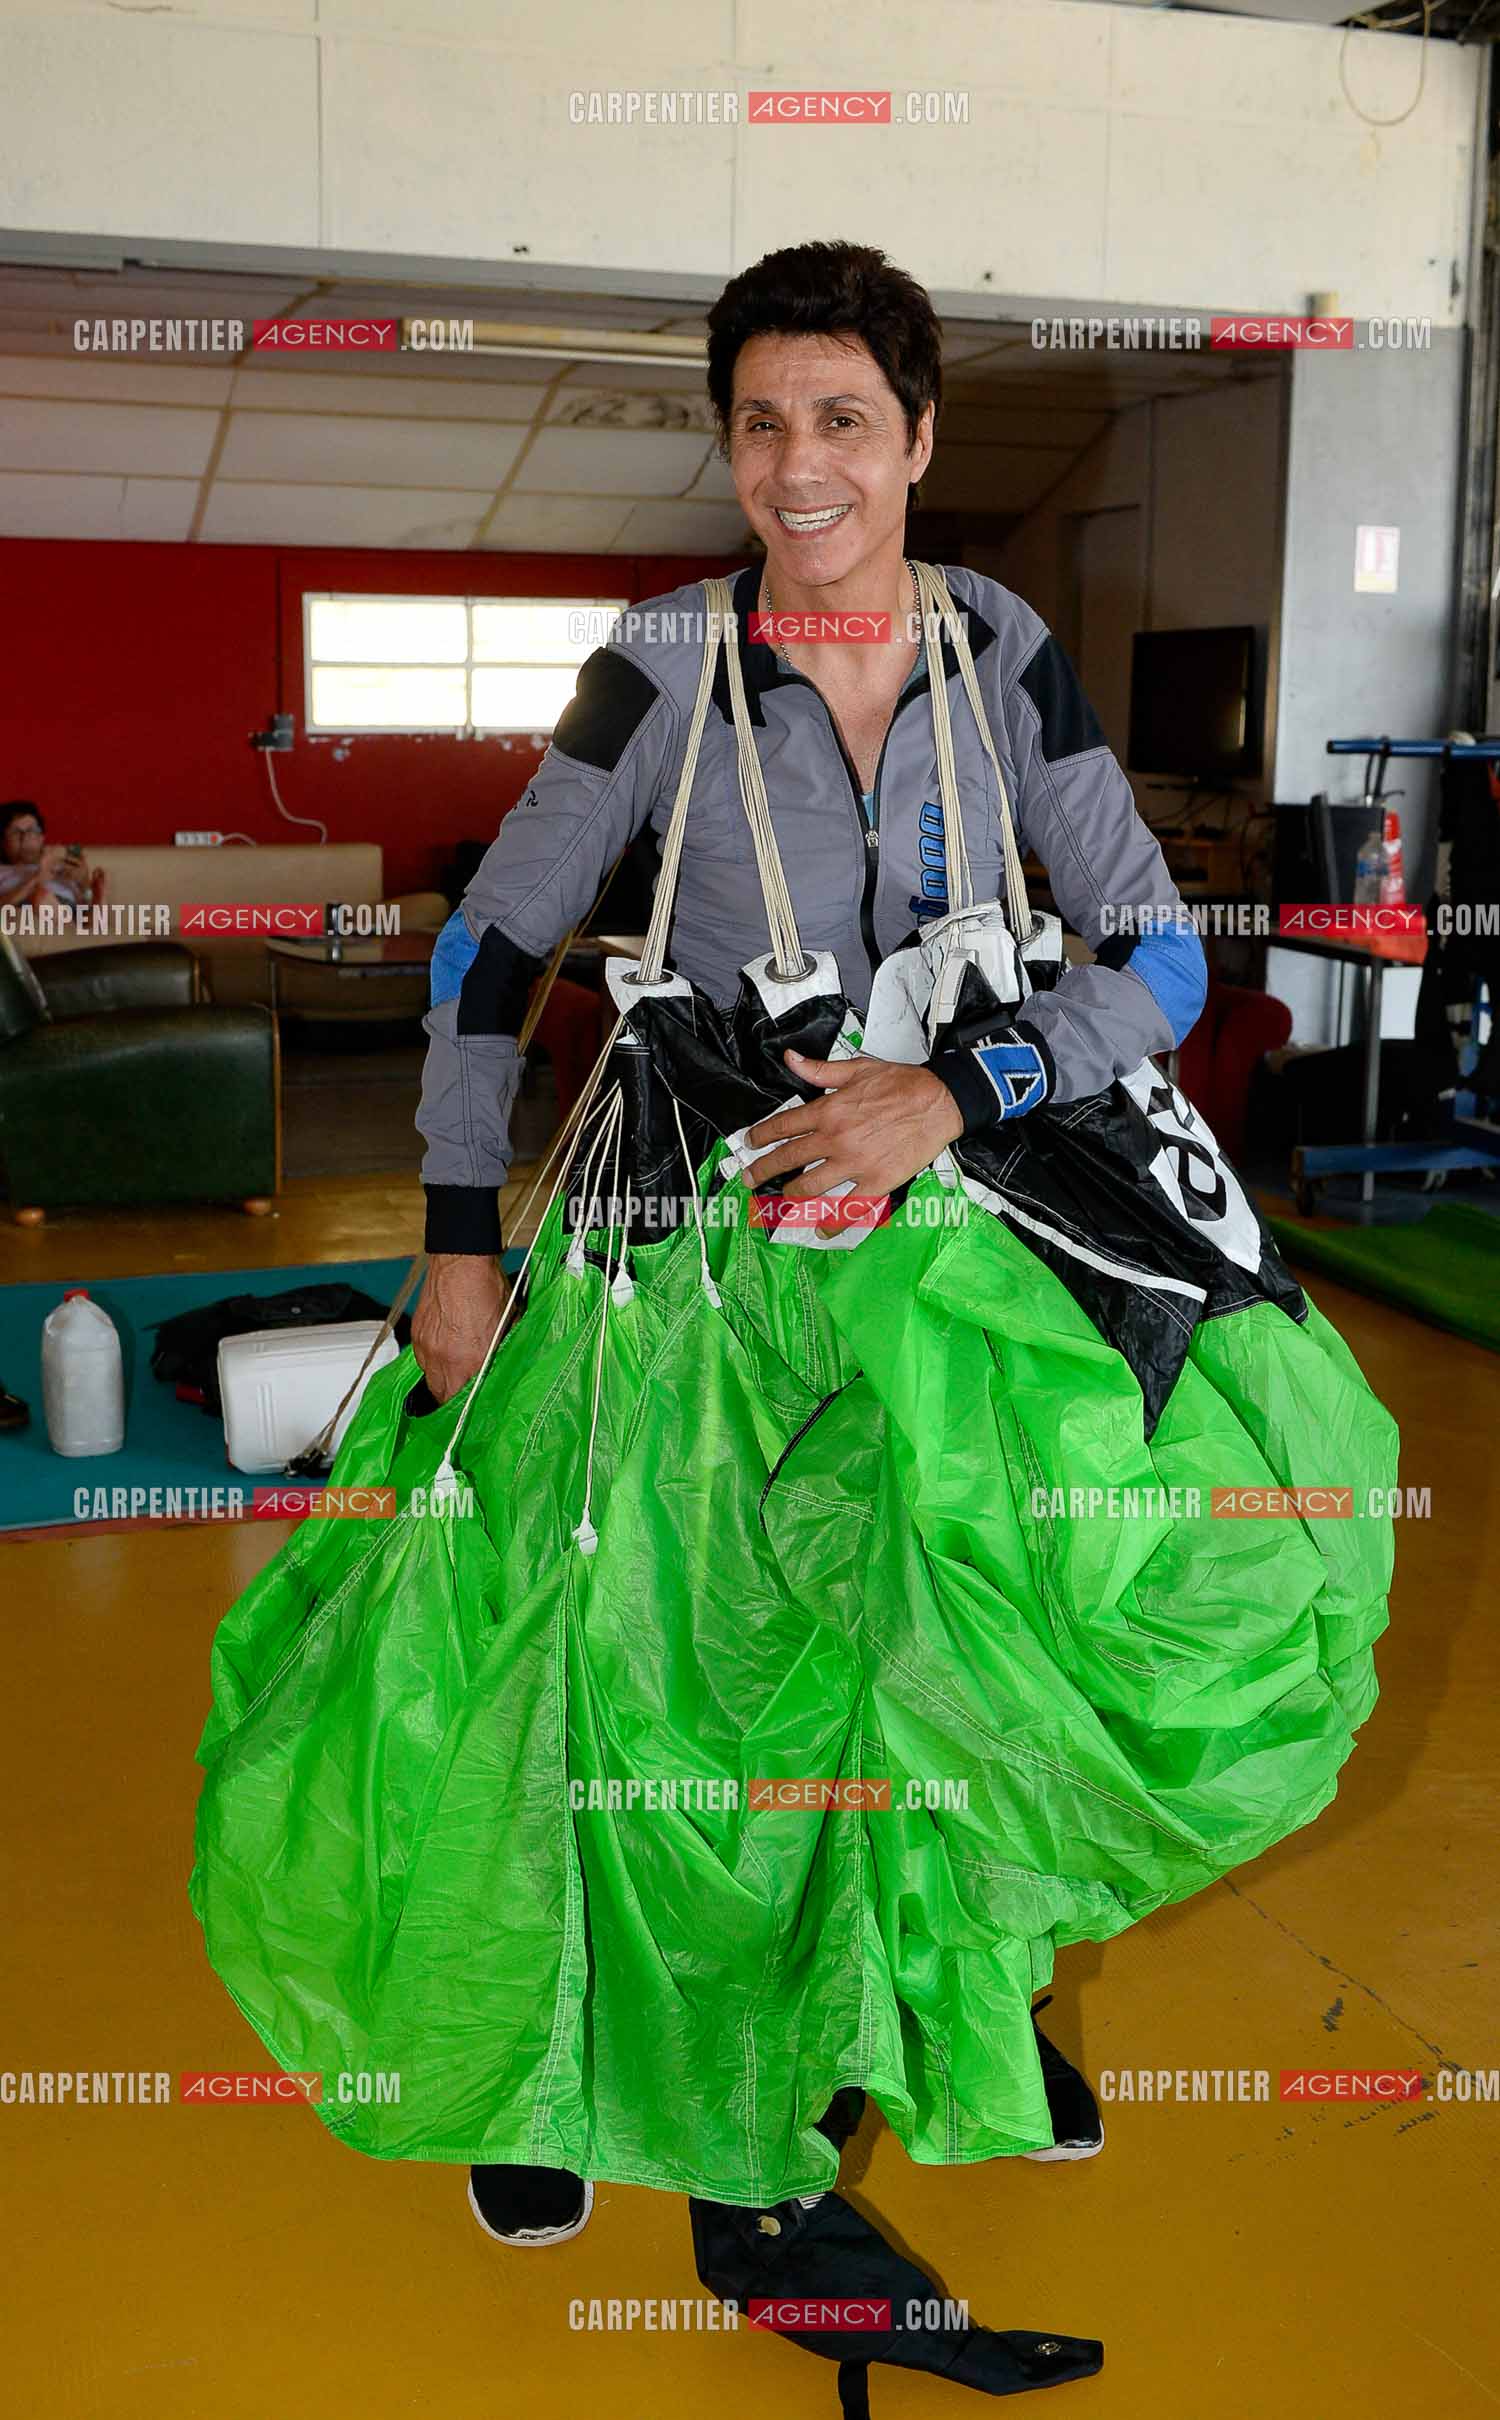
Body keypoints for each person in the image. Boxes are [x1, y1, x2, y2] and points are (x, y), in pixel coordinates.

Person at [406, 238, 1213, 2391]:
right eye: (760, 422)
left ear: (921, 436)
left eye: (843, 419)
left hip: (938, 1238)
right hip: (679, 1242)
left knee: (959, 1643)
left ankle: (940, 2007)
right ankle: (565, 2076)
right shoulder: (662, 663)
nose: (799, 468)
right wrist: (454, 1235)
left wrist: (967, 1081)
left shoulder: (1000, 650)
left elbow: (1163, 954)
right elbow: (489, 955)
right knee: (643, 1688)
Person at [0, 801, 106, 911]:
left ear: (42, 838)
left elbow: (82, 905)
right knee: (41, 897)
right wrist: (37, 879)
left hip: (70, 911)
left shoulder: (61, 866)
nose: (26, 837)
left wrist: (84, 885)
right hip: (26, 911)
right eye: (16, 832)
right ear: (2, 840)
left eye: (32, 830)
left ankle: (97, 901)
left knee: (89, 910)